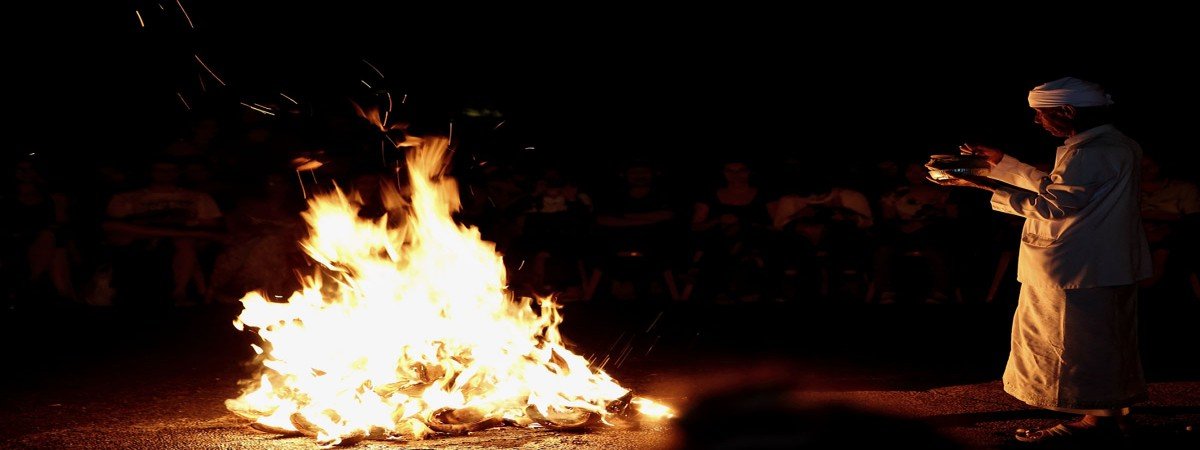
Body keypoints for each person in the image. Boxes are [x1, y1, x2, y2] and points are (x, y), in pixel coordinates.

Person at [929, 77, 1151, 444]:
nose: (1038, 121)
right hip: (1101, 262)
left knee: (1078, 346)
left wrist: (982, 185)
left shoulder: (1090, 152)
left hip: (1077, 267)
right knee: (1106, 342)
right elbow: (1058, 187)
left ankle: (1096, 421)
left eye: (1041, 114)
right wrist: (1002, 164)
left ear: (1066, 111)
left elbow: (1052, 204)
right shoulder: (1111, 144)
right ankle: (1111, 414)